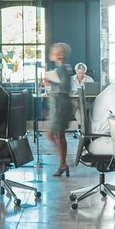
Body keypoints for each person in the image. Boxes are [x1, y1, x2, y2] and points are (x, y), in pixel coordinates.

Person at [44, 43, 73, 177]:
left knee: (55, 134)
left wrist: (50, 83)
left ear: (60, 55)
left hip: (60, 105)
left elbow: (64, 87)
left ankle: (63, 162)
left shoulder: (62, 69)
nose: (51, 53)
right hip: (58, 104)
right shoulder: (61, 68)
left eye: (53, 51)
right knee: (56, 134)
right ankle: (63, 163)